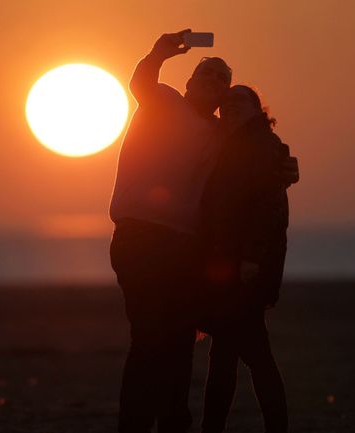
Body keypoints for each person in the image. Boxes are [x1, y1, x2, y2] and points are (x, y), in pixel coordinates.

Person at [109, 29, 233, 433]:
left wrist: (284, 166)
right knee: (148, 339)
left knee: (180, 343)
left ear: (223, 95)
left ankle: (174, 425)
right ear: (189, 82)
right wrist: (159, 52)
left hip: (185, 246)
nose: (212, 81)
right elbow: (140, 82)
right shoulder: (164, 101)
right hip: (139, 237)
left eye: (221, 79)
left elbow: (257, 157)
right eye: (206, 73)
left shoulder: (220, 135)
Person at [198, 85, 295, 433]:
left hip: (246, 269)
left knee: (252, 354)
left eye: (243, 100)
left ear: (258, 109)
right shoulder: (233, 145)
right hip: (230, 267)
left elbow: (269, 209)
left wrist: (251, 258)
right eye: (228, 102)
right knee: (228, 354)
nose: (232, 105)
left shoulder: (261, 145)